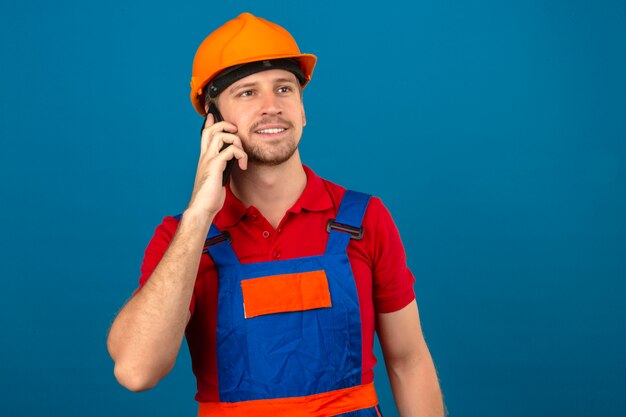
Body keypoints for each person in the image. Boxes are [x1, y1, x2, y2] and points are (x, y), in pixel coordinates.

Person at [107, 12, 444, 417]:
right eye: (247, 93)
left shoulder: (363, 220)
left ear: (303, 110)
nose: (272, 107)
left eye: (284, 88)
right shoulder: (182, 239)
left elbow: (408, 361)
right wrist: (200, 215)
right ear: (213, 123)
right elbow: (136, 371)